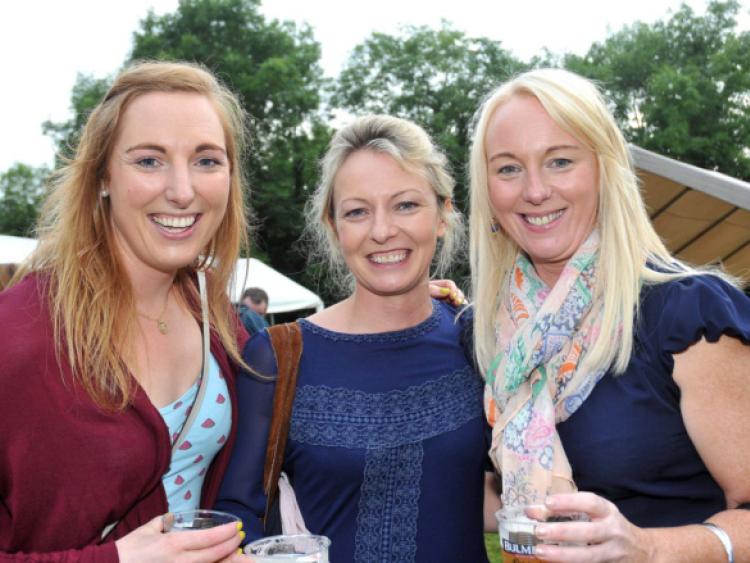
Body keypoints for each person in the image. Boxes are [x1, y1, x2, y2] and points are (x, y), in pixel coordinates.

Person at [469, 68, 750, 562]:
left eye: (559, 161)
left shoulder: (687, 311)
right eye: (509, 168)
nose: (535, 191)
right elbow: (488, 497)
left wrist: (646, 548)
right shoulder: (484, 334)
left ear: (604, 169)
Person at [0, 61, 249, 562]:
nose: (182, 190)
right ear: (102, 178)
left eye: (206, 160)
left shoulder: (218, 321)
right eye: (149, 161)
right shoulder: (17, 335)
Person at [217, 115, 495, 562]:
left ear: (443, 214)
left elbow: (498, 485)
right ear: (334, 226)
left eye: (405, 205)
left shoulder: (478, 342)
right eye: (357, 211)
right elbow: (238, 511)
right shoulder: (279, 357)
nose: (382, 230)